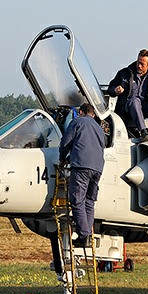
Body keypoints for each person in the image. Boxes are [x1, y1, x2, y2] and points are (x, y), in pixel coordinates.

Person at [59, 103, 105, 248]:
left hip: (82, 166)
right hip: (98, 167)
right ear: (93, 114)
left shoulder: (78, 122)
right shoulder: (99, 128)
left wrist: (62, 158)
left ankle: (84, 235)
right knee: (89, 201)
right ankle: (88, 235)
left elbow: (66, 142)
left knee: (77, 200)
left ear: (81, 112)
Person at [107, 48, 148, 141]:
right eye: (138, 62)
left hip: (146, 107)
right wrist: (115, 90)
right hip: (128, 108)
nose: (139, 66)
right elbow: (110, 89)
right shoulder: (124, 73)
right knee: (135, 100)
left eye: (142, 64)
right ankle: (143, 132)